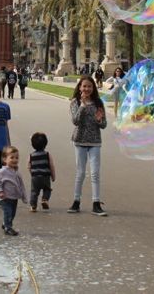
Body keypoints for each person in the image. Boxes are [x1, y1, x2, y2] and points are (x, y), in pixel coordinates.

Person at [68, 75, 108, 216]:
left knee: (95, 173)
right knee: (80, 173)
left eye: (89, 86)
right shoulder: (75, 102)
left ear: (93, 88)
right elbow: (75, 121)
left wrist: (99, 119)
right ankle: (76, 201)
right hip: (80, 140)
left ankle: (96, 203)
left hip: (95, 141)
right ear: (79, 87)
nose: (86, 89)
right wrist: (83, 106)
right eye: (84, 86)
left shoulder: (98, 103)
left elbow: (104, 125)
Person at [0, 146, 28, 236]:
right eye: (12, 157)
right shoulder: (2, 172)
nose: (15, 160)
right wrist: (0, 191)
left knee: (13, 213)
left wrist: (23, 196)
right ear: (5, 159)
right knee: (8, 212)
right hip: (5, 197)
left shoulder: (16, 172)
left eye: (17, 158)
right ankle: (8, 228)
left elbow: (21, 185)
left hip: (14, 197)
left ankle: (5, 223)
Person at [28, 132, 56, 212]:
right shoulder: (47, 154)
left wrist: (32, 173)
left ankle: (33, 206)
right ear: (45, 144)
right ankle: (44, 199)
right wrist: (53, 176)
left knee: (34, 192)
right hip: (45, 176)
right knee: (47, 189)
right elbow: (51, 166)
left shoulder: (31, 155)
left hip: (35, 177)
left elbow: (29, 166)